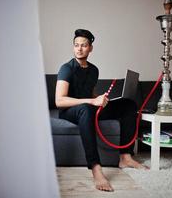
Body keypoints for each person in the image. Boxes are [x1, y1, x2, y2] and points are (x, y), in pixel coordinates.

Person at [55, 29, 148, 192]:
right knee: (86, 109)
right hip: (69, 110)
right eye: (76, 45)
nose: (79, 49)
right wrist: (92, 101)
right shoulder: (66, 69)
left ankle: (125, 157)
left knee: (128, 105)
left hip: (88, 107)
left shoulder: (94, 70)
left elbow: (90, 93)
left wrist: (100, 100)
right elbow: (59, 101)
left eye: (84, 45)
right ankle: (96, 168)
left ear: (91, 48)